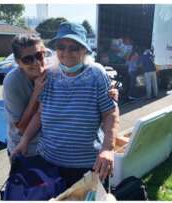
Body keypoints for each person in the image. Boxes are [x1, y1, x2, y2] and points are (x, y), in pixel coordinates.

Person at [11, 22, 120, 186]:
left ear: (84, 50)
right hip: (49, 163)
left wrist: (108, 148)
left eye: (74, 47)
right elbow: (40, 113)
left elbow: (110, 112)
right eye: (61, 47)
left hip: (87, 166)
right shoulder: (49, 75)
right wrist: (25, 139)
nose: (67, 52)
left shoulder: (97, 74)